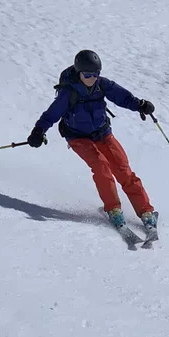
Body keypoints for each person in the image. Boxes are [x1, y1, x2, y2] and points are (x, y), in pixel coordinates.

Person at [27, 50, 158, 231]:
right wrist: (38, 131)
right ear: (79, 73)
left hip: (102, 133)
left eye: (95, 74)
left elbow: (123, 97)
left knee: (122, 169)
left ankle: (145, 211)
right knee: (101, 166)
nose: (91, 78)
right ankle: (113, 210)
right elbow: (52, 114)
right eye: (87, 75)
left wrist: (140, 105)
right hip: (78, 137)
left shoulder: (102, 85)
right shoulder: (69, 92)